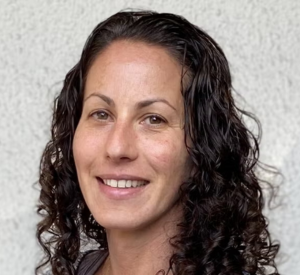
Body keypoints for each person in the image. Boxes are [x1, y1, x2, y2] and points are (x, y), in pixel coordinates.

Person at [36, 10, 280, 275]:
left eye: (154, 119)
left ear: (204, 147)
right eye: (101, 114)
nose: (117, 148)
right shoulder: (80, 269)